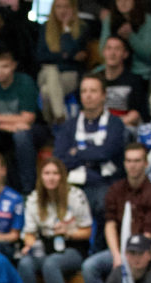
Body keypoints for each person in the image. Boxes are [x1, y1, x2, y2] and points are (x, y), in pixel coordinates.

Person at [80, 143, 151, 283]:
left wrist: (134, 257)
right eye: (129, 161)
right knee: (89, 266)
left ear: (145, 163)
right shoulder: (115, 189)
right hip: (118, 248)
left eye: (137, 161)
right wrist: (117, 255)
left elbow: (149, 231)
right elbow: (109, 224)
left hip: (142, 249)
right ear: (124, 163)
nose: (132, 165)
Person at [17, 158, 92, 283]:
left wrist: (68, 232)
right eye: (47, 173)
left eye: (55, 173)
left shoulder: (76, 195)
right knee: (25, 263)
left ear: (62, 176)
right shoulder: (34, 199)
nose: (51, 178)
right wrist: (30, 244)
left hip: (73, 247)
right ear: (41, 177)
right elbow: (29, 233)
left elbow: (87, 231)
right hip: (45, 247)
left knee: (51, 264)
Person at [55, 75, 126, 237]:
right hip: (75, 182)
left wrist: (77, 152)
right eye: (84, 91)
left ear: (103, 95)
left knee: (103, 202)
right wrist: (94, 154)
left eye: (93, 91)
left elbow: (106, 152)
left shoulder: (115, 124)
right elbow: (60, 158)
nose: (88, 95)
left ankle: (99, 247)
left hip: (105, 182)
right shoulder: (69, 126)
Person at [0, 48, 39, 193]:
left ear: (13, 66)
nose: (1, 71)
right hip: (4, 130)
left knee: (21, 136)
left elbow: (28, 119)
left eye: (5, 66)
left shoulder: (25, 81)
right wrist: (10, 126)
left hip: (32, 130)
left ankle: (28, 190)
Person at [35, 0, 86, 126]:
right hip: (46, 73)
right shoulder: (45, 27)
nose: (62, 11)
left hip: (69, 75)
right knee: (51, 70)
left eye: (66, 7)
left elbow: (72, 50)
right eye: (58, 7)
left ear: (73, 8)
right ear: (53, 9)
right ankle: (60, 115)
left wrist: (66, 29)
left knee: (46, 91)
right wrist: (66, 56)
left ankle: (50, 124)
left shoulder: (82, 28)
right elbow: (40, 56)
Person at [95, 35, 148, 130]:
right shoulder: (95, 80)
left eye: (117, 49)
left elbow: (137, 115)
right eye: (109, 48)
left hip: (125, 128)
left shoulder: (135, 81)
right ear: (103, 52)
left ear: (125, 54)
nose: (112, 53)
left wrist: (114, 125)